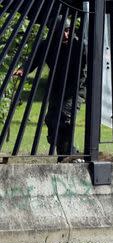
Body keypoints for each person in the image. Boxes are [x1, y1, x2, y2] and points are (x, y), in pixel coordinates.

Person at [14, 16, 87, 162]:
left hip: (74, 90)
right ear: (54, 33)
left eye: (67, 31)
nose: (66, 35)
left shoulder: (79, 45)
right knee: (51, 121)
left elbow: (85, 69)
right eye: (62, 32)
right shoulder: (47, 45)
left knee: (64, 120)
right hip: (56, 88)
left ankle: (70, 154)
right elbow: (33, 59)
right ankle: (65, 155)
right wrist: (23, 69)